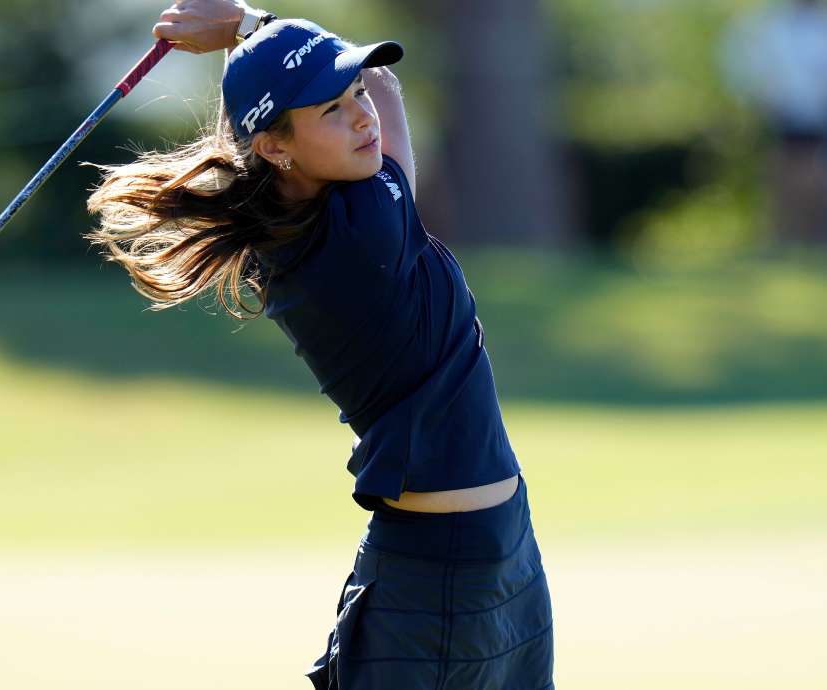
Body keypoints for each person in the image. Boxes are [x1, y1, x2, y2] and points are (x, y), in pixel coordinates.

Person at [85, 2, 555, 688]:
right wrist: (247, 23)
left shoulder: (312, 218)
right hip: (441, 575)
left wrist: (259, 36)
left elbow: (381, 89)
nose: (363, 114)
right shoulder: (360, 231)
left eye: (354, 92)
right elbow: (394, 100)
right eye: (333, 109)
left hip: (496, 552)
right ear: (276, 147)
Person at [721, 0, 827, 246]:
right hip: (786, 114)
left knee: (814, 174)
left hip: (815, 115)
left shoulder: (818, 26)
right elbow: (748, 61)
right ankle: (788, 233)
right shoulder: (774, 26)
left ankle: (813, 233)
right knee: (787, 173)